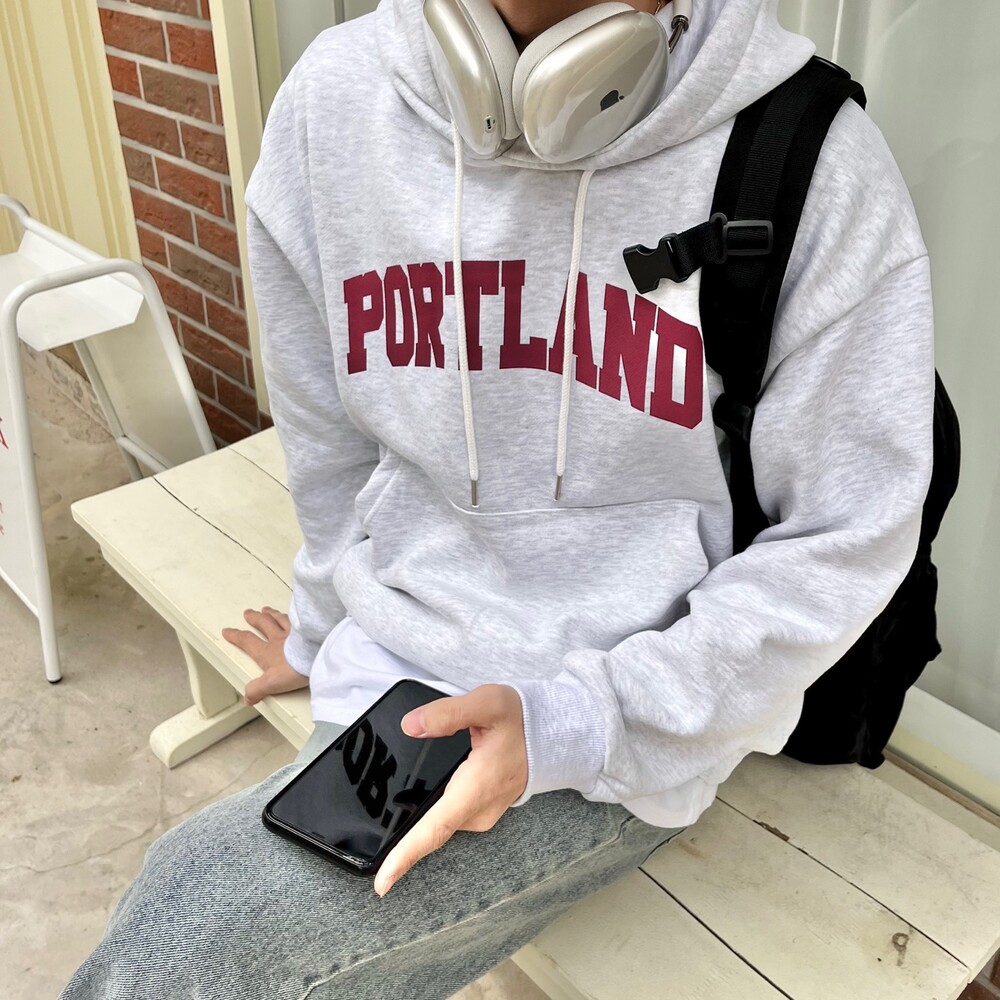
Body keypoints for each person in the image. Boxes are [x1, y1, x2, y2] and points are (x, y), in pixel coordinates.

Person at [61, 0, 934, 995]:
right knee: (189, 913)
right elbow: (327, 434)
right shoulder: (333, 103)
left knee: (180, 954)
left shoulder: (808, 157)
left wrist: (580, 724)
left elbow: (848, 532)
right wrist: (319, 629)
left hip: (623, 716)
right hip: (392, 666)